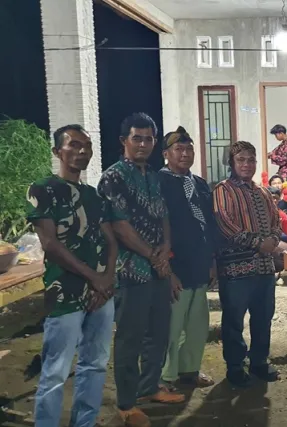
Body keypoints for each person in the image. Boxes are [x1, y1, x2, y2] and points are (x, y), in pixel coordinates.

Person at [28, 124, 118, 427]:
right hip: (64, 292)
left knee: (95, 364)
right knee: (56, 371)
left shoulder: (94, 196)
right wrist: (95, 278)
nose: (82, 151)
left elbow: (111, 241)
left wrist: (106, 279)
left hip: (101, 295)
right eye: (74, 145)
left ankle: (85, 422)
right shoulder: (43, 190)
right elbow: (51, 245)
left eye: (87, 146)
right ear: (58, 151)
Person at [98, 113, 185, 427]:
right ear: (124, 140)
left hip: (158, 271)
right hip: (130, 271)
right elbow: (119, 226)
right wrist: (152, 256)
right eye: (137, 138)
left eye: (149, 139)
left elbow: (163, 216)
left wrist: (165, 249)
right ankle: (126, 403)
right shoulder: (113, 177)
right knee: (129, 339)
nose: (143, 144)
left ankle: (149, 387)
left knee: (157, 334)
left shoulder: (153, 176)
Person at [213, 140, 282, 387]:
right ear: (231, 163)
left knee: (263, 317)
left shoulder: (263, 192)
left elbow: (276, 221)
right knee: (234, 320)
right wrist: (258, 243)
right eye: (241, 159)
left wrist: (274, 240)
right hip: (235, 271)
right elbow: (224, 224)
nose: (246, 164)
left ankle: (259, 362)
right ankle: (235, 367)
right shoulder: (223, 190)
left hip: (265, 269)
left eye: (251, 160)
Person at [158, 126, 218, 390]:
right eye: (178, 149)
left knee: (197, 324)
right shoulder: (158, 183)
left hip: (199, 265)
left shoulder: (200, 183)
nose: (185, 154)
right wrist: (167, 270)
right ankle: (165, 377)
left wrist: (212, 261)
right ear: (166, 154)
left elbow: (210, 224)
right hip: (175, 267)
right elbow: (156, 229)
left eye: (189, 149)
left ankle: (189, 370)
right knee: (172, 327)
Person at [267, 124, 287, 189]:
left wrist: (272, 156)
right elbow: (274, 152)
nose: (276, 137)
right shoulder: (283, 144)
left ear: (281, 133)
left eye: (276, 135)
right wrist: (269, 154)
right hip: (285, 173)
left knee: (285, 192)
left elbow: (284, 159)